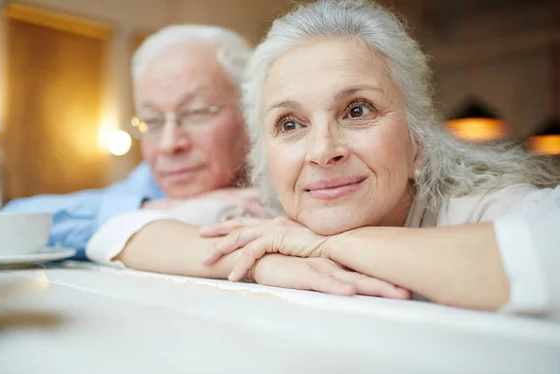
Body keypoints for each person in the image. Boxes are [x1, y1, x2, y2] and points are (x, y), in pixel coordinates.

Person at [86, 0, 559, 309]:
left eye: (357, 110)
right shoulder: (272, 221)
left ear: (419, 142)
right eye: (290, 124)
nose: (322, 151)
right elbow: (118, 234)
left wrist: (324, 245)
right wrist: (264, 261)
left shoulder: (483, 207)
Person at [3, 25, 264, 258]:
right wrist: (153, 210)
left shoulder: (288, 177)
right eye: (152, 121)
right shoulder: (150, 186)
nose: (168, 144)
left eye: (196, 112)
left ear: (250, 112)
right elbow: (11, 219)